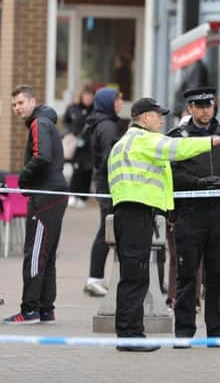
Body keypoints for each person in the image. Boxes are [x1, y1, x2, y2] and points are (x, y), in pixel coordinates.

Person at [108, 97, 220, 352]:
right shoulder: (144, 139)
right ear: (145, 118)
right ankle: (130, 336)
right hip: (136, 211)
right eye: (158, 115)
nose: (161, 120)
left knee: (131, 275)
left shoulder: (125, 141)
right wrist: (216, 140)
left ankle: (129, 333)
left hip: (130, 211)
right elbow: (178, 149)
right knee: (136, 277)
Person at [169, 87, 220, 345]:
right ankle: (183, 331)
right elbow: (171, 174)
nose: (205, 111)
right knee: (187, 274)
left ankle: (218, 330)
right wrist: (199, 183)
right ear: (189, 108)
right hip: (190, 214)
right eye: (199, 106)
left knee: (217, 274)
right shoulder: (178, 137)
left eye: (209, 105)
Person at [4, 85, 68, 324]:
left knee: (35, 253)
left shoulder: (38, 122)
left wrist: (23, 178)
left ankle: (29, 309)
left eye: (21, 103)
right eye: (14, 105)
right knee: (47, 254)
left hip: (45, 194)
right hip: (55, 193)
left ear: (33, 101)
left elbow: (41, 156)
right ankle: (45, 309)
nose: (17, 108)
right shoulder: (45, 121)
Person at [83, 88, 123, 297]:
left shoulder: (101, 123)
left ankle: (95, 277)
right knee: (106, 230)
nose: (120, 102)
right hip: (109, 185)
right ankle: (94, 278)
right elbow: (110, 158)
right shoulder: (108, 126)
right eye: (118, 98)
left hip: (103, 182)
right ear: (108, 102)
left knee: (106, 229)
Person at [63, 85, 95, 209]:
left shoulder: (95, 110)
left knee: (88, 171)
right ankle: (72, 195)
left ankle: (82, 197)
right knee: (76, 170)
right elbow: (66, 122)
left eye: (90, 96)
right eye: (86, 96)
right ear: (81, 96)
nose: (88, 99)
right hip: (76, 145)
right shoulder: (72, 108)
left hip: (89, 146)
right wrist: (69, 132)